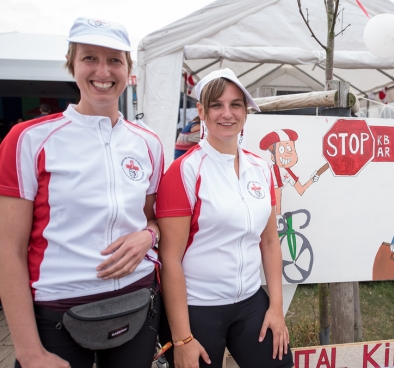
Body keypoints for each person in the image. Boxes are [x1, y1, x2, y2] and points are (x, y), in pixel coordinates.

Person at [0, 17, 164, 368]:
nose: (102, 71)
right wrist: (29, 352)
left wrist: (148, 237)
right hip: (58, 309)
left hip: (138, 299)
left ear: (128, 68)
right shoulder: (27, 139)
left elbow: (152, 218)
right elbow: (7, 248)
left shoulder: (148, 142)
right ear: (71, 63)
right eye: (90, 58)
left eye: (114, 60)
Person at [156, 68, 293, 368]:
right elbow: (170, 260)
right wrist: (182, 338)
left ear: (246, 112)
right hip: (197, 308)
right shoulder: (185, 171)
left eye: (235, 105)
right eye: (217, 105)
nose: (226, 113)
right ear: (202, 111)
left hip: (249, 302)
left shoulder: (261, 168)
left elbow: (270, 242)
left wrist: (276, 308)